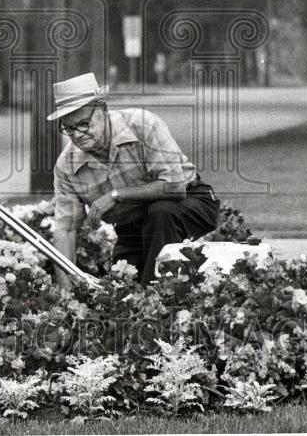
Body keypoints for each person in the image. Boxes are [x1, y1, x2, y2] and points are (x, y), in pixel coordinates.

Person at [48, 73, 220, 286]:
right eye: (69, 128)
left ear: (102, 110)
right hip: (133, 228)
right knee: (120, 289)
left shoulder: (142, 124)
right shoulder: (67, 166)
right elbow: (66, 229)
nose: (77, 134)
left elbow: (175, 186)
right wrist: (66, 293)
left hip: (189, 204)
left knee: (161, 212)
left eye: (83, 123)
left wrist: (116, 196)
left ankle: (157, 299)